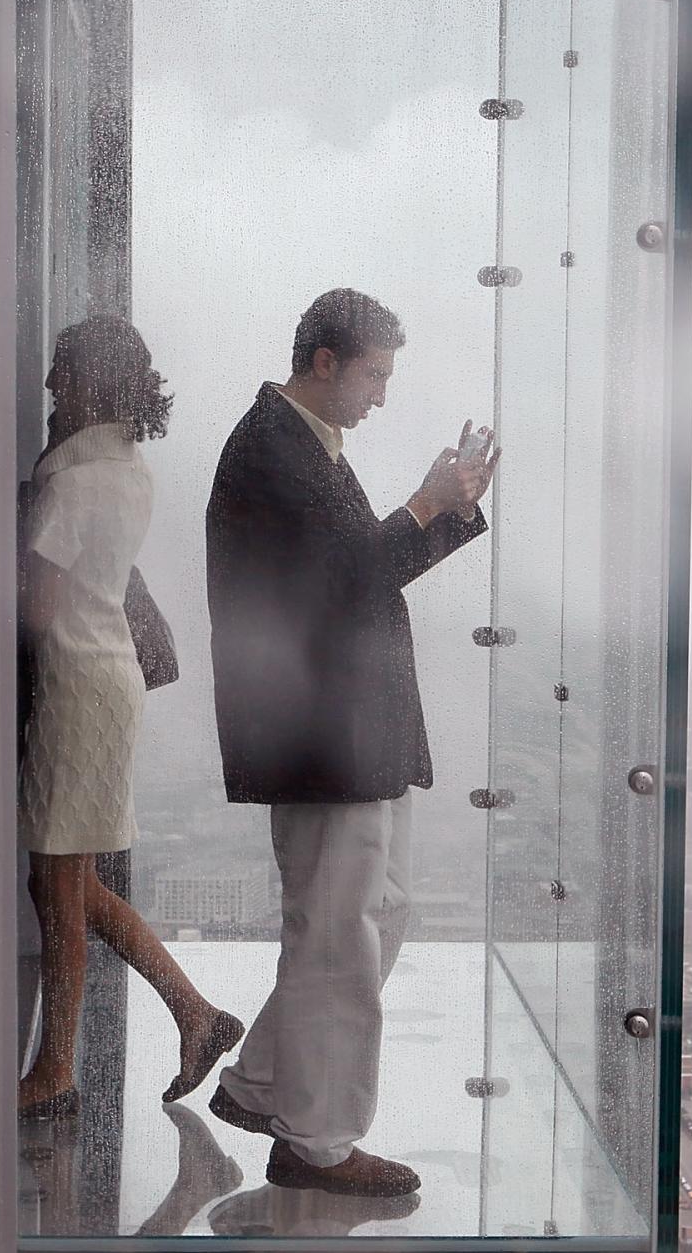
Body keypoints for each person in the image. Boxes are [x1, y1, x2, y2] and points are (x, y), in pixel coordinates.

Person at [203, 288, 498, 1197]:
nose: (380, 397)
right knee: (342, 938)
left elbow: (357, 579)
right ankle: (317, 1141)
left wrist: (445, 510)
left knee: (377, 913)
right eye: (373, 375)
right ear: (323, 361)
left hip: (347, 734)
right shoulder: (272, 449)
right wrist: (423, 501)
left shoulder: (299, 444)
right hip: (321, 738)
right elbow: (337, 584)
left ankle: (261, 1085)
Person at [18, 316, 241, 1121]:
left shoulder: (74, 483)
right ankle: (197, 1014)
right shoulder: (128, 470)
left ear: (88, 382)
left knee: (61, 888)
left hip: (74, 685)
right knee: (70, 880)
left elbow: (38, 607)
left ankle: (55, 1070)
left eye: (59, 373)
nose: (48, 387)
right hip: (106, 679)